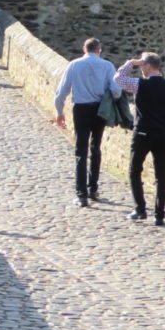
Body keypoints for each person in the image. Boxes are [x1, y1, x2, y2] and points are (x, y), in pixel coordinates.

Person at [113, 51, 165, 226]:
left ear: (147, 66)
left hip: (143, 132)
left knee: (135, 170)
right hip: (163, 134)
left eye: (142, 66)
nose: (140, 69)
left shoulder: (140, 84)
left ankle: (140, 209)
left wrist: (131, 62)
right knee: (161, 174)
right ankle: (159, 215)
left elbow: (118, 79)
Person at [54, 37, 120, 207]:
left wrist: (59, 112)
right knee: (96, 147)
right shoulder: (107, 66)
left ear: (84, 49)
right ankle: (93, 188)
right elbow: (116, 91)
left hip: (81, 110)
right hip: (100, 110)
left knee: (80, 151)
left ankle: (81, 194)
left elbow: (61, 92)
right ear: (99, 50)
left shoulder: (74, 65)